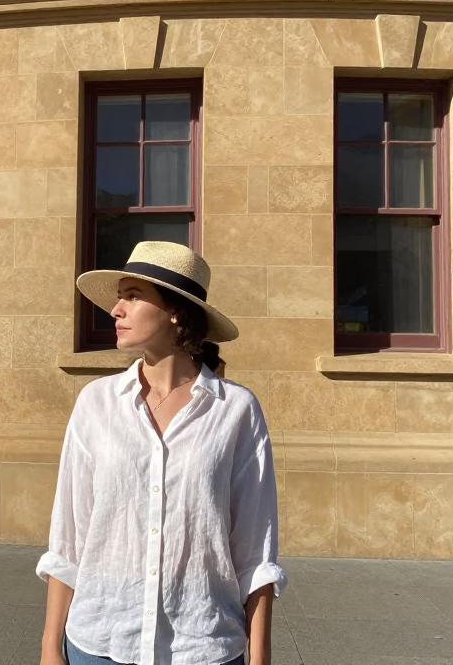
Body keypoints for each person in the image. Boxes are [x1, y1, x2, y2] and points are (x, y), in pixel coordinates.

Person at [36, 241, 287, 665]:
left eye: (133, 296)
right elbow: (69, 538)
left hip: (202, 645)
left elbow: (255, 551)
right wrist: (49, 649)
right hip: (100, 642)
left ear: (176, 312)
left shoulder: (236, 411)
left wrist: (259, 657)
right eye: (120, 297)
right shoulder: (96, 404)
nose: (116, 310)